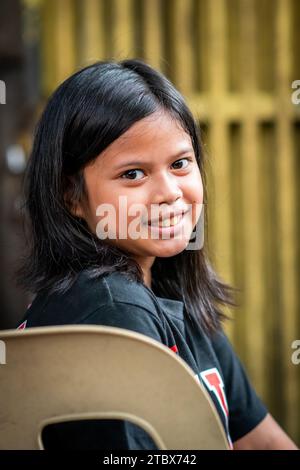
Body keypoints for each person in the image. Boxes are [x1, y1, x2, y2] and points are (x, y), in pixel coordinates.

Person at [16, 59, 297, 450]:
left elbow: (262, 441)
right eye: (133, 174)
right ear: (71, 197)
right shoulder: (110, 309)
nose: (169, 192)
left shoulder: (172, 291)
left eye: (180, 163)